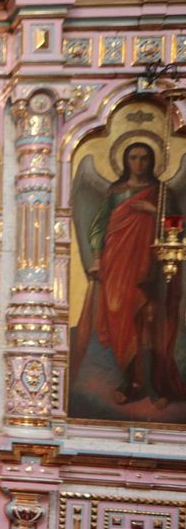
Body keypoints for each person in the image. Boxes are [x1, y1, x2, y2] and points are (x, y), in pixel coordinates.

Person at [82, 141, 185, 405]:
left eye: (144, 158)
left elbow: (177, 228)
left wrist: (155, 212)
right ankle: (132, 381)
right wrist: (97, 258)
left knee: (151, 320)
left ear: (153, 161)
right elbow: (99, 227)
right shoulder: (115, 192)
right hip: (118, 262)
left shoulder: (162, 192)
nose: (138, 163)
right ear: (125, 161)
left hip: (152, 265)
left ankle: (157, 385)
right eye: (133, 158)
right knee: (121, 317)